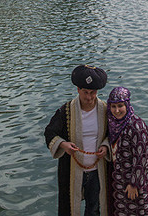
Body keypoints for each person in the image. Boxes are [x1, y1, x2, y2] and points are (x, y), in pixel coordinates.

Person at [44, 65, 110, 216]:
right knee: (69, 208)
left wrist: (106, 147)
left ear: (97, 92)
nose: (89, 97)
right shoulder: (65, 111)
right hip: (72, 168)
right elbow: (49, 132)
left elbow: (112, 136)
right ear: (78, 90)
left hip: (97, 170)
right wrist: (63, 144)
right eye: (85, 92)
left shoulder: (105, 110)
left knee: (94, 209)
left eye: (92, 93)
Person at [106, 87, 148, 216]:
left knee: (138, 210)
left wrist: (134, 183)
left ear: (127, 104)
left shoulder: (137, 126)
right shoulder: (114, 125)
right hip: (120, 181)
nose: (116, 110)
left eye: (120, 106)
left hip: (133, 183)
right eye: (113, 106)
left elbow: (141, 158)